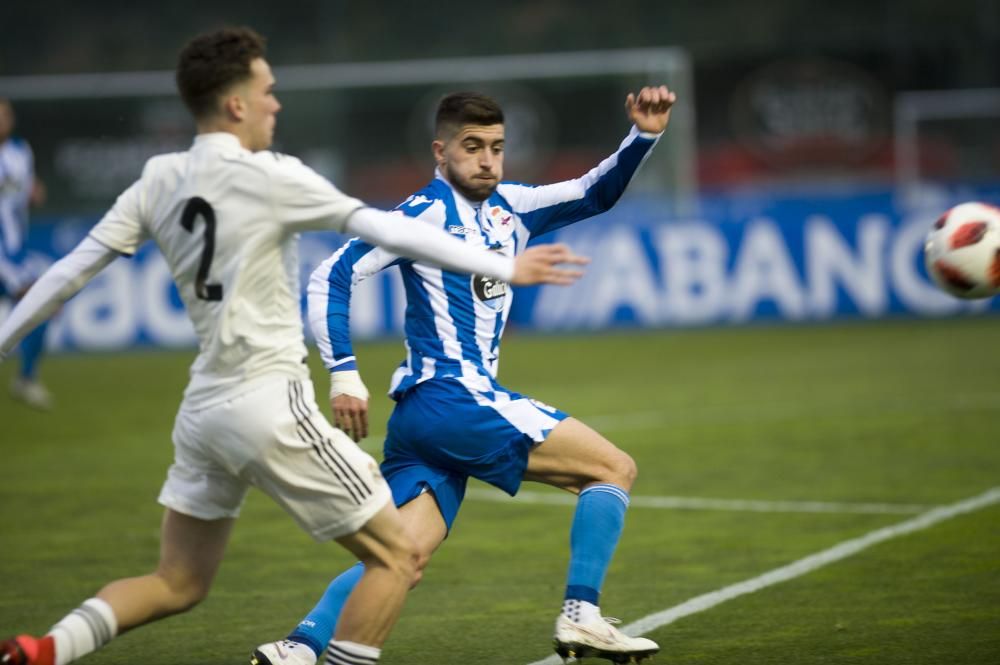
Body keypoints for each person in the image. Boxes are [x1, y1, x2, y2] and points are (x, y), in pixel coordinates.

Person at [0, 28, 586, 665]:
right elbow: (381, 227)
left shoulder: (157, 179)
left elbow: (66, 274)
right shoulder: (273, 175)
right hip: (268, 405)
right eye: (268, 91)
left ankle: (42, 649)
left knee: (178, 583)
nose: (276, 104)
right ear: (236, 104)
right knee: (398, 557)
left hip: (202, 414)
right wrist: (505, 268)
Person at [252, 87, 675, 665]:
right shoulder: (419, 215)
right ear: (440, 151)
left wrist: (644, 134)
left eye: (497, 148)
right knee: (611, 468)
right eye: (472, 147)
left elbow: (592, 192)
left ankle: (299, 648)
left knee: (402, 555)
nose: (486, 160)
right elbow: (331, 276)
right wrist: (344, 374)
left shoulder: (513, 207)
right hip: (455, 397)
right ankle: (582, 615)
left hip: (425, 418)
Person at [0, 97, 52, 410]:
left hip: (15, 250)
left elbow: (26, 192)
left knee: (45, 302)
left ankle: (27, 378)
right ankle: (27, 379)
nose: (3, 119)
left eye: (6, 114)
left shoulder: (21, 151)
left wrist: (35, 192)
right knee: (42, 298)